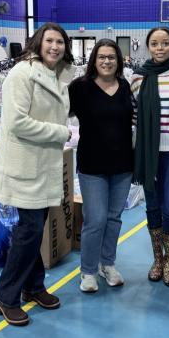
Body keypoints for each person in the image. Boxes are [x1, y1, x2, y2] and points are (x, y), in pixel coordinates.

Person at [0, 22, 75, 325]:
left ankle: (33, 286)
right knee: (27, 234)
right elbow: (17, 122)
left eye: (60, 42)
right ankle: (6, 297)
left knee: (33, 232)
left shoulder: (57, 75)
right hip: (23, 167)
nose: (55, 46)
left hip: (41, 165)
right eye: (50, 41)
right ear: (38, 42)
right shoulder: (22, 73)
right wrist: (60, 132)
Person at [130, 27, 169, 286]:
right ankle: (158, 258)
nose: (159, 48)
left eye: (165, 43)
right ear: (148, 46)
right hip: (147, 151)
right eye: (154, 43)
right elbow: (134, 117)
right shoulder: (138, 78)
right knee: (152, 205)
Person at [69, 39, 134, 292]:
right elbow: (58, 110)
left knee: (114, 218)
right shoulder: (80, 87)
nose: (107, 61)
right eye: (102, 57)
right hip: (92, 165)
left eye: (111, 57)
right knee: (95, 220)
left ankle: (108, 264)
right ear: (93, 60)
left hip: (122, 165)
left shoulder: (125, 86)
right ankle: (87, 271)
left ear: (118, 61)